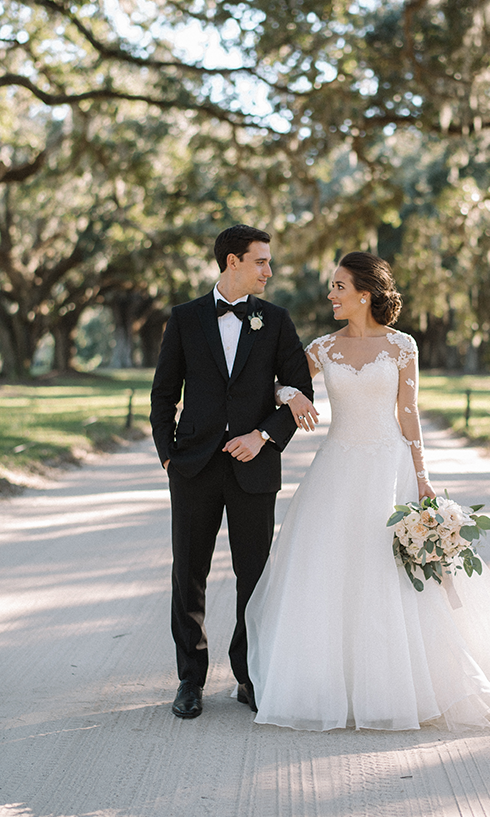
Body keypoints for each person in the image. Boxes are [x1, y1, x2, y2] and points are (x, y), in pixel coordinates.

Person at [245, 251, 490, 731]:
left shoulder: (402, 345)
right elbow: (277, 383)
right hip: (336, 467)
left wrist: (422, 477)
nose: (331, 295)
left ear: (365, 293)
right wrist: (293, 394)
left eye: (339, 287)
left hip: (389, 467)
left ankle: (407, 687)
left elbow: (409, 414)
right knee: (328, 569)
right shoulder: (323, 348)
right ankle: (332, 687)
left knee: (397, 574)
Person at [150, 225, 316, 719]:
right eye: (261, 261)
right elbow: (163, 393)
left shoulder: (277, 320)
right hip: (194, 467)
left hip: (254, 468)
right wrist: (168, 456)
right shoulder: (184, 319)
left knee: (255, 577)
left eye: (268, 261)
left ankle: (249, 676)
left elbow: (299, 389)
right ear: (231, 262)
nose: (269, 270)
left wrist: (262, 436)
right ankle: (190, 681)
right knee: (190, 574)